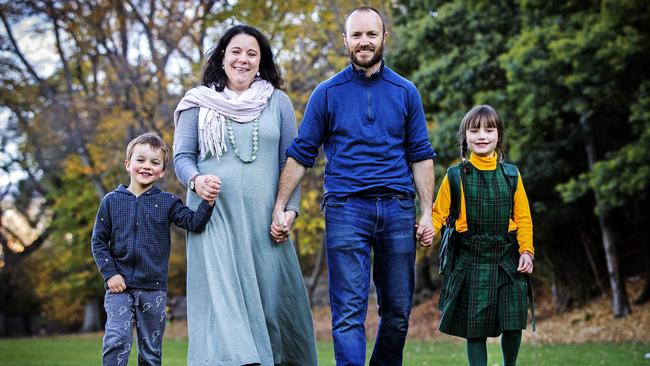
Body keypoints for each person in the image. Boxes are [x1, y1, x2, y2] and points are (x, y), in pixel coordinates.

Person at [272, 6, 436, 365]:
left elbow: (421, 155)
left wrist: (428, 213)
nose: (364, 42)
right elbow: (302, 153)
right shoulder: (327, 93)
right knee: (348, 314)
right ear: (346, 40)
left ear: (383, 38)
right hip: (346, 209)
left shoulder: (406, 92)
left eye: (371, 34)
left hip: (397, 208)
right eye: (357, 35)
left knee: (397, 313)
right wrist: (280, 204)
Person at [173, 24, 318, 365]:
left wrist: (289, 212)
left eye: (252, 53)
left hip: (265, 221)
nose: (243, 59)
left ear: (261, 60)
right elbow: (182, 158)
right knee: (226, 306)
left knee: (273, 307)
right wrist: (195, 181)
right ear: (222, 56)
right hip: (213, 218)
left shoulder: (278, 102)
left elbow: (292, 162)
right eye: (236, 51)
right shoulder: (197, 101)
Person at [91, 133, 215, 366]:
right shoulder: (111, 201)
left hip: (153, 289)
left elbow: (193, 223)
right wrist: (110, 274)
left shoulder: (168, 202)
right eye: (141, 160)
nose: (146, 166)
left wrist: (208, 201)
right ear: (128, 164)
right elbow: (98, 242)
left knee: (150, 350)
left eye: (154, 162)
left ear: (162, 171)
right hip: (120, 287)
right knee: (117, 338)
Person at [432, 105, 535, 366]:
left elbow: (523, 218)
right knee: (475, 329)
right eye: (474, 130)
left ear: (498, 136)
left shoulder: (512, 175)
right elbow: (438, 215)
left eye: (489, 130)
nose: (481, 136)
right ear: (465, 137)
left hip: (507, 259)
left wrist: (526, 251)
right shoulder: (454, 176)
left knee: (513, 322)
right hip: (471, 260)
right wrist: (426, 231)